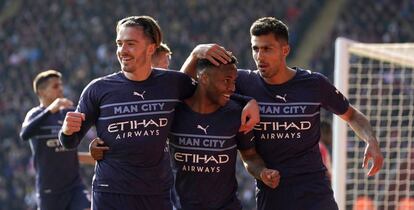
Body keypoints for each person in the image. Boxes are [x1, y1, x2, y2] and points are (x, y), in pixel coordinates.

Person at [181, 17, 384, 210]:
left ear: (285, 50)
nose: (259, 56)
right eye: (255, 49)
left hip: (314, 190)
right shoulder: (240, 83)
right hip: (272, 192)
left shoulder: (313, 84)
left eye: (267, 49)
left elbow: (352, 116)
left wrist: (371, 140)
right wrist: (195, 54)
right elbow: (184, 91)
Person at [59, 16, 259, 210]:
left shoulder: (171, 84)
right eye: (119, 44)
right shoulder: (98, 89)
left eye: (130, 44)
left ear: (151, 48)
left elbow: (208, 92)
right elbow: (70, 141)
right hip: (110, 194)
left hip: (156, 195)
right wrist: (67, 131)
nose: (122, 51)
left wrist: (247, 101)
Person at [90, 56, 279, 210]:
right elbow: (139, 135)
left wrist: (262, 172)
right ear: (204, 78)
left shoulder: (237, 113)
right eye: (226, 81)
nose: (232, 87)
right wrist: (102, 147)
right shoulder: (173, 112)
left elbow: (250, 155)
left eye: (234, 81)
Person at [20, 70, 91, 210]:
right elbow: (24, 134)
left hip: (74, 186)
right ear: (41, 91)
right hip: (49, 190)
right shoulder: (35, 114)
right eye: (55, 86)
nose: (61, 89)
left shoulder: (67, 113)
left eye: (61, 85)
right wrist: (50, 110)